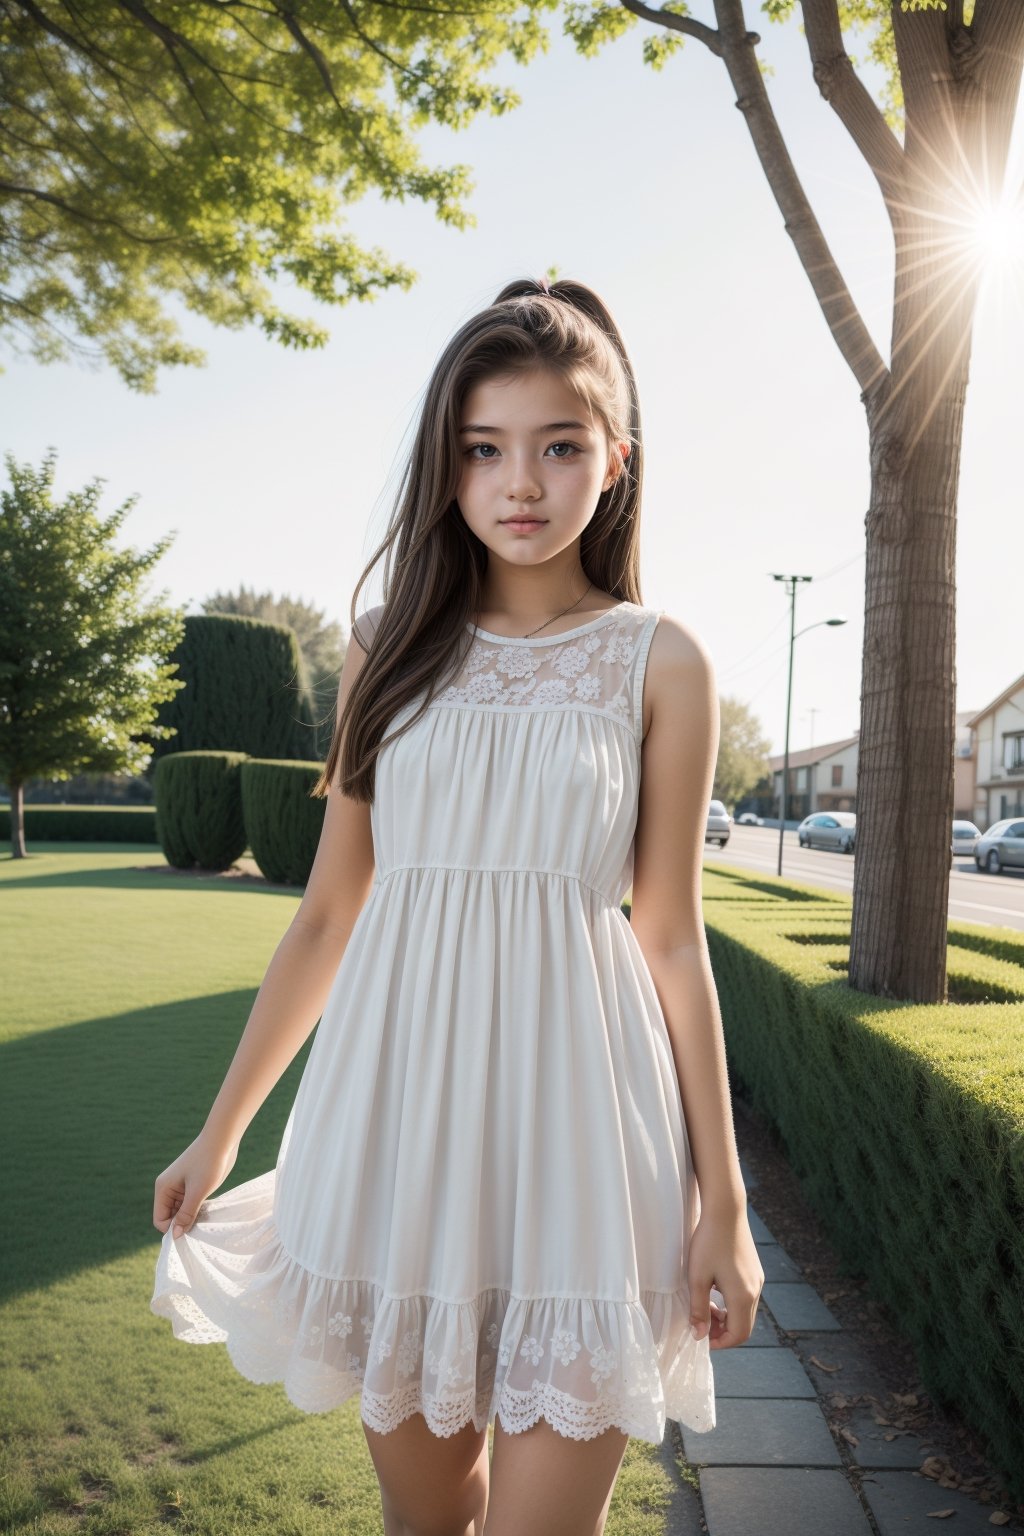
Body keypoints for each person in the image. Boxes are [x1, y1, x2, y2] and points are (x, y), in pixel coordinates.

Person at [151, 275, 764, 1536]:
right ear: (447, 464)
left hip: (585, 1141)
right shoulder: (387, 646)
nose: (520, 482)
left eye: (558, 446)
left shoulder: (663, 660)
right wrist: (218, 1137)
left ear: (616, 459)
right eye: (483, 449)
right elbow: (326, 912)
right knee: (427, 1518)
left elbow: (670, 938)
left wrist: (726, 1205)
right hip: (398, 1130)